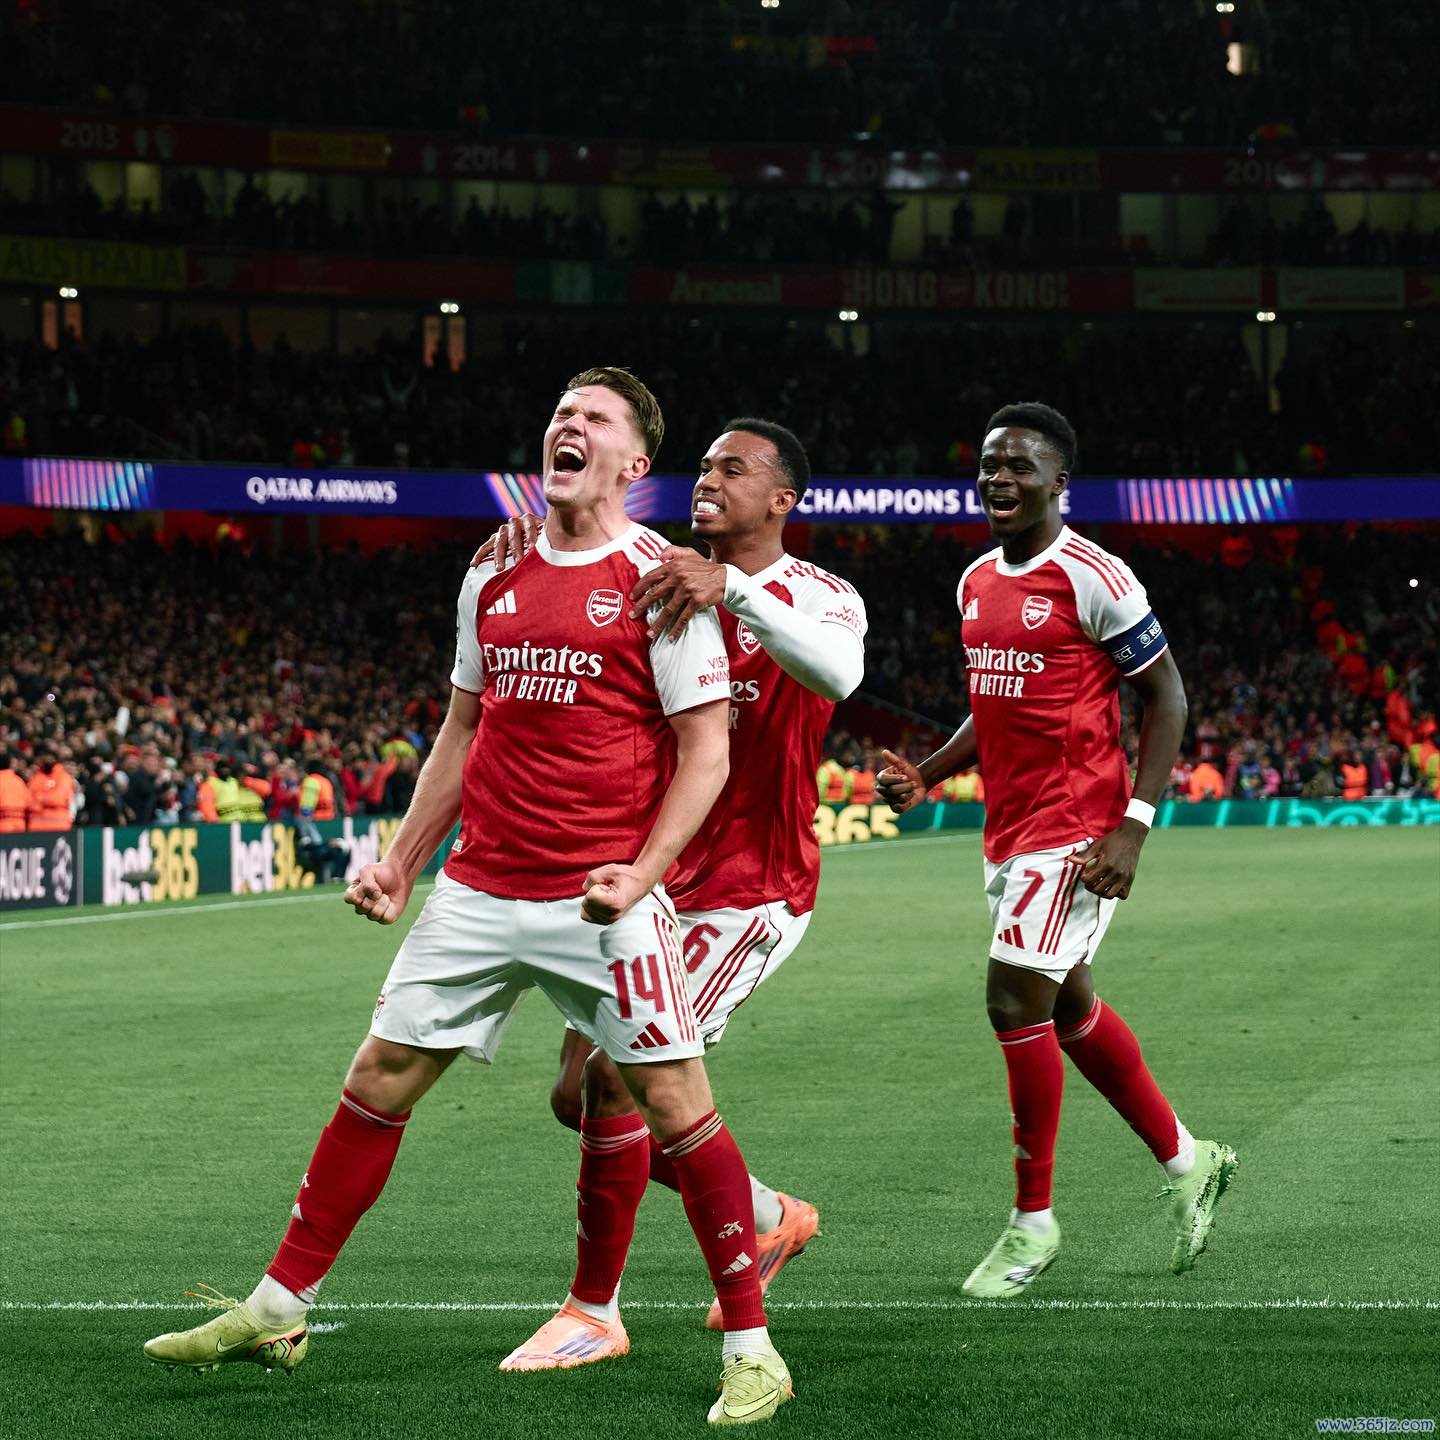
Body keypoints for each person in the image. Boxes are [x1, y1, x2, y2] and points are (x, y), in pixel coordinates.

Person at [143, 368, 794, 1426]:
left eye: (594, 419)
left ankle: (754, 1351)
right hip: (480, 887)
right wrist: (403, 860)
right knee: (380, 1077)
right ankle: (277, 1307)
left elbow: (705, 753)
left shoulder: (659, 582)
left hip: (601, 897)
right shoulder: (491, 568)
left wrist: (644, 873)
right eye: (560, 413)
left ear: (635, 463)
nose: (567, 426)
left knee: (677, 1106)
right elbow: (462, 728)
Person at [487, 418, 867, 1371]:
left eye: (733, 469)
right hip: (644, 879)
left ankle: (593, 1311)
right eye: (702, 465)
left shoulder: (819, 593)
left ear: (782, 499)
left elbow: (839, 673)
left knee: (616, 1081)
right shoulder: (651, 577)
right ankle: (768, 1215)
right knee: (577, 1098)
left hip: (747, 889)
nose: (708, 479)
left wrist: (731, 588)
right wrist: (534, 545)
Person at [878, 402, 1236, 1297]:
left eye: (1020, 467)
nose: (999, 478)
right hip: (1009, 831)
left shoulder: (1096, 578)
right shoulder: (974, 582)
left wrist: (1134, 826)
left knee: (1011, 1000)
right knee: (1068, 1008)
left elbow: (1168, 698)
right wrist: (927, 773)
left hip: (1078, 834)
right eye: (990, 464)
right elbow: (992, 703)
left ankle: (1032, 1223)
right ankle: (1189, 1160)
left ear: (1058, 483)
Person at [26, 748, 75, 831]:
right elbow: (28, 800)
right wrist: (46, 798)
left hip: (59, 827)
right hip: (37, 827)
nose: (47, 760)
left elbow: (58, 799)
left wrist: (38, 797)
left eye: (50, 758)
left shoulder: (63, 776)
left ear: (56, 759)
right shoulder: (36, 777)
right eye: (45, 758)